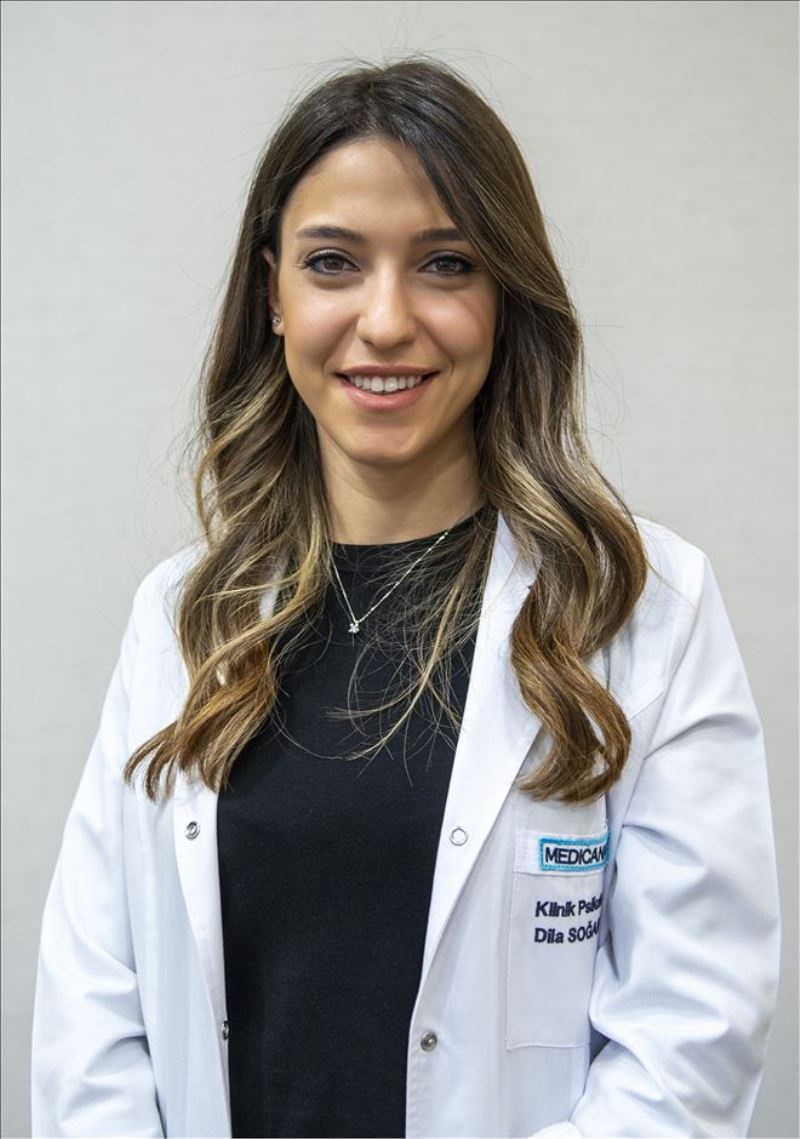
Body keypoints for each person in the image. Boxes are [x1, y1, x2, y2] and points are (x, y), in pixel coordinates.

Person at [30, 55, 780, 1139]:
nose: (384, 321)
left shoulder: (640, 609)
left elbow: (689, 1038)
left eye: (444, 264)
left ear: (504, 295)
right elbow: (91, 1013)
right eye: (332, 263)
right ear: (272, 294)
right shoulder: (182, 616)